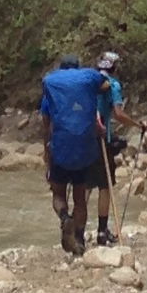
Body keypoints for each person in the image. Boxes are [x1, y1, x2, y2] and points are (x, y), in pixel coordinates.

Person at [39, 56, 108, 256]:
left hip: (61, 147)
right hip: (84, 147)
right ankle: (79, 241)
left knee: (58, 194)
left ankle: (64, 217)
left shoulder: (51, 93)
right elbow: (105, 86)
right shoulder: (87, 87)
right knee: (80, 198)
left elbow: (46, 127)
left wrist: (47, 153)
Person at [91, 48, 127, 247]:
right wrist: (138, 125)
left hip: (83, 138)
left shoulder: (86, 83)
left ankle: (77, 231)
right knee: (105, 186)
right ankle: (102, 231)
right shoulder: (113, 85)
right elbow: (118, 114)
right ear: (114, 68)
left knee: (85, 185)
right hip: (102, 139)